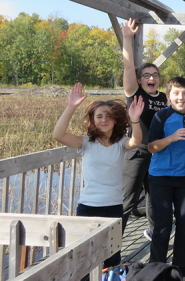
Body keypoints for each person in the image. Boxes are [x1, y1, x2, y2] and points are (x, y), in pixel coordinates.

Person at [52, 83, 144, 268]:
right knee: (86, 257)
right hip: (88, 207)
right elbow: (58, 134)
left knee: (112, 257)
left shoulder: (120, 143)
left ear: (115, 120)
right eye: (99, 116)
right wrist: (71, 106)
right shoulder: (86, 143)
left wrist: (135, 120)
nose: (103, 120)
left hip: (114, 207)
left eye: (108, 117)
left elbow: (136, 141)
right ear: (92, 120)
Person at [147, 77, 185, 277]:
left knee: (184, 223)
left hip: (183, 178)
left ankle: (180, 268)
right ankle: (157, 269)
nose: (180, 97)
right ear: (168, 96)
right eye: (176, 93)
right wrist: (171, 138)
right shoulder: (161, 116)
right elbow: (151, 147)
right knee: (162, 226)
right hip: (160, 177)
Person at [121, 18, 168, 239]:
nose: (152, 78)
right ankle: (112, 244)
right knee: (128, 199)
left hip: (156, 152)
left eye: (155, 75)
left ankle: (154, 232)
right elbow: (128, 66)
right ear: (139, 80)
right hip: (138, 151)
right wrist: (127, 38)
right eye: (147, 75)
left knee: (154, 196)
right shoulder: (135, 93)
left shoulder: (164, 97)